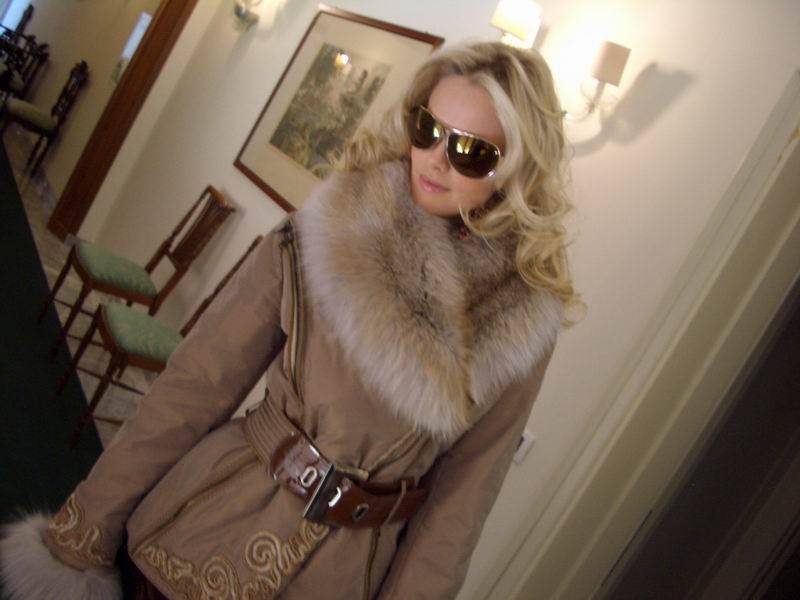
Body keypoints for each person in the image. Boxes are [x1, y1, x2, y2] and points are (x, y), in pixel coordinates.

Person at [0, 40, 579, 599]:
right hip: (205, 528)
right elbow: (195, 386)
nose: (435, 159)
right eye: (428, 129)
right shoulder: (321, 232)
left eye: (471, 151)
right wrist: (87, 527)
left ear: (516, 169)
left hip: (340, 577)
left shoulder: (522, 324)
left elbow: (459, 511)